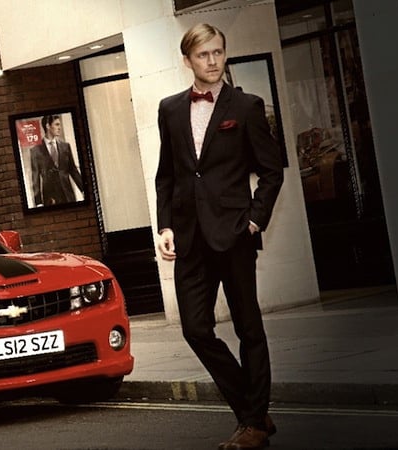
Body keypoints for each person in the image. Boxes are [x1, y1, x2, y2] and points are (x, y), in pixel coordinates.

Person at [154, 24, 284, 450]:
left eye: (218, 53)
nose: (212, 61)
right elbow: (167, 175)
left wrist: (254, 220)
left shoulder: (245, 106)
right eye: (203, 54)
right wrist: (166, 226)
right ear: (187, 59)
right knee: (195, 328)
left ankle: (250, 425)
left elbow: (271, 170)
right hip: (190, 237)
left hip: (234, 233)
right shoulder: (170, 109)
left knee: (250, 328)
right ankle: (254, 409)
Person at [29, 114, 84, 207]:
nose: (60, 127)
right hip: (51, 198)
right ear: (48, 126)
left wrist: (83, 189)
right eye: (57, 124)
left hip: (68, 196)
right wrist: (38, 202)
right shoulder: (35, 151)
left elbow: (73, 170)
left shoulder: (65, 146)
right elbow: (35, 178)